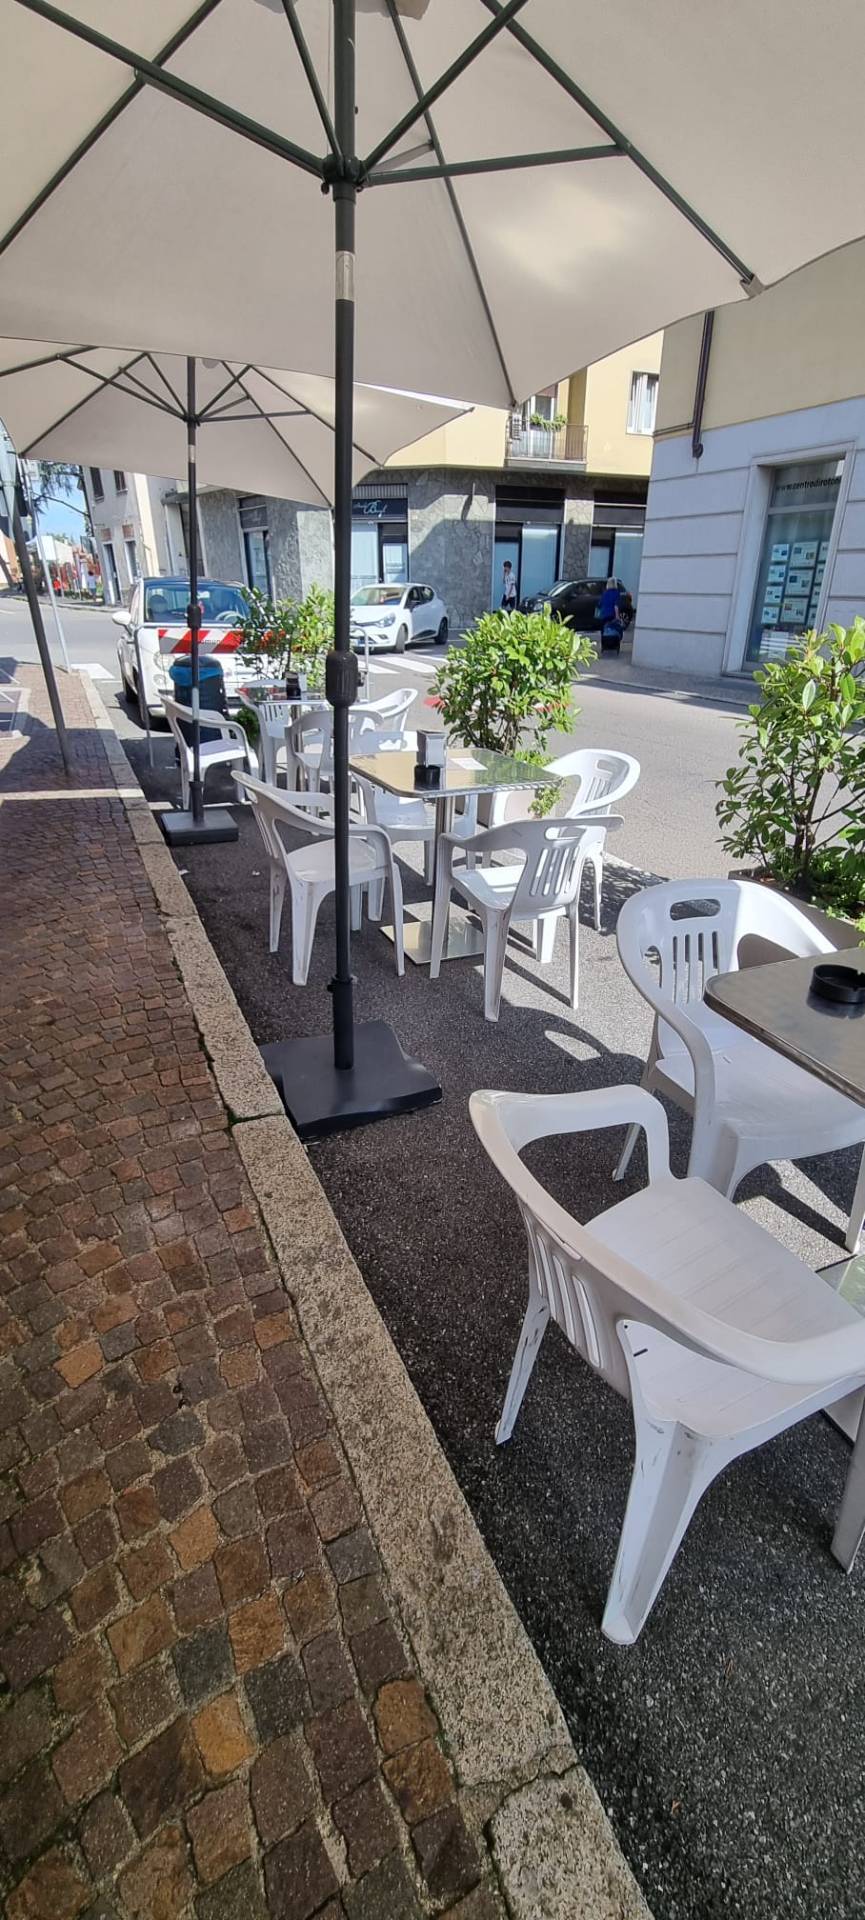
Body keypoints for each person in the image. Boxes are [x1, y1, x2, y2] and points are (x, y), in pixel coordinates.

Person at [596, 577, 624, 651]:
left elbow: (599, 604)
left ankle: (604, 646)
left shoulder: (604, 593)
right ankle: (613, 645)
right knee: (614, 630)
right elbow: (616, 606)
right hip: (612, 615)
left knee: (604, 631)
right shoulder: (616, 593)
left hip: (603, 615)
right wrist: (617, 617)